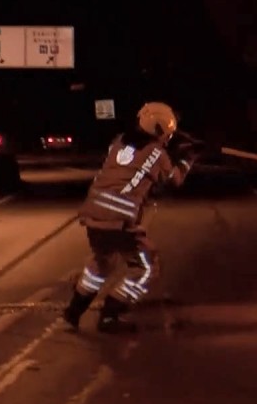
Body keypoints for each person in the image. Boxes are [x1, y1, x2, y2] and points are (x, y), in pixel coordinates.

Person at [61, 102, 200, 333]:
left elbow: (136, 163)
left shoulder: (118, 143)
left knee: (102, 263)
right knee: (145, 268)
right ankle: (111, 315)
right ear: (159, 130)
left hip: (94, 215)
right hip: (119, 221)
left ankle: (74, 310)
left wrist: (170, 148)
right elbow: (174, 180)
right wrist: (188, 158)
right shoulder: (158, 154)